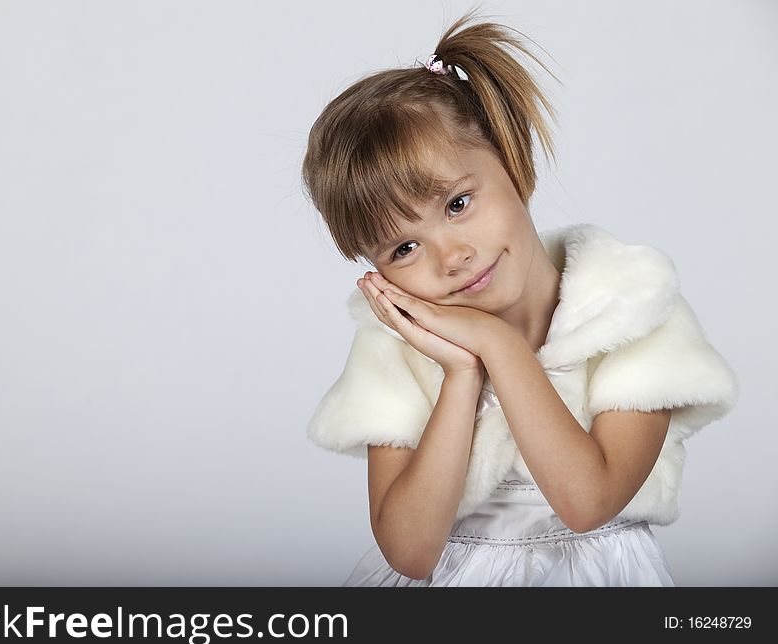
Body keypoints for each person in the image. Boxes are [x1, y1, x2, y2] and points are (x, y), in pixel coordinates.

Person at [300, 8, 739, 586]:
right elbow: (410, 552)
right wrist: (459, 376)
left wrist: (497, 345)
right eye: (403, 248)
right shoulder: (396, 346)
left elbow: (588, 502)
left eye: (458, 205)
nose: (449, 257)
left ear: (513, 161)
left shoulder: (629, 308)